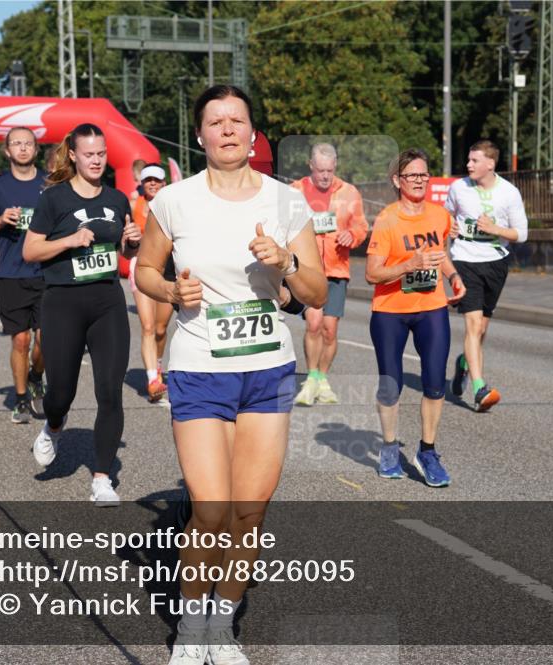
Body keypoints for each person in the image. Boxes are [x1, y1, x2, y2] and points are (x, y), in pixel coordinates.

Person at [135, 85, 327, 665]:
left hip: (267, 368)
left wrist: (287, 264)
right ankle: (190, 633)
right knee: (210, 510)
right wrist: (170, 288)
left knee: (250, 511)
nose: (226, 129)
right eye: (215, 122)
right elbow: (144, 268)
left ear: (252, 134)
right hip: (198, 367)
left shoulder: (285, 201)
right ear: (200, 135)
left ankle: (222, 628)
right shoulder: (173, 201)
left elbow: (315, 291)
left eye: (236, 121)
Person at [23, 123, 141, 505]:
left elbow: (123, 254)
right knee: (62, 391)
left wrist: (130, 244)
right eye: (89, 154)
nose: (96, 160)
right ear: (73, 155)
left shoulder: (118, 198)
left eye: (102, 154)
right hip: (63, 302)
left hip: (106, 301)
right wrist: (70, 240)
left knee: (110, 391)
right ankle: (53, 426)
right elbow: (31, 252)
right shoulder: (54, 199)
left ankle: (103, 478)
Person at [366, 148, 466, 487]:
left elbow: (439, 254)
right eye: (413, 175)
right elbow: (372, 273)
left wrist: (453, 275)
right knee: (391, 386)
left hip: (432, 307)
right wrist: (410, 264)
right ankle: (391, 447)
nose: (420, 180)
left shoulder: (439, 216)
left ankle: (427, 451)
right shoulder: (387, 220)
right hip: (390, 312)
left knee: (435, 382)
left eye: (424, 175)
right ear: (398, 180)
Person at [446, 140, 528, 412]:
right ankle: (480, 388)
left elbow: (521, 234)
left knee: (481, 329)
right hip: (465, 259)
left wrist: (495, 229)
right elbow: (445, 216)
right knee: (472, 325)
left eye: (474, 161)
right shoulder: (458, 188)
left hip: (495, 262)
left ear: (490, 164)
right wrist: (450, 228)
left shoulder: (509, 193)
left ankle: (463, 364)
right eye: (468, 160)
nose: (468, 165)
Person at [0, 127, 48, 424]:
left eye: (28, 143)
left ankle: (36, 375)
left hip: (46, 272)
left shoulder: (50, 183)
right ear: (7, 151)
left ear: (36, 149)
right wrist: (0, 220)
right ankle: (20, 399)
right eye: (16, 144)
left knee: (47, 340)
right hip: (11, 273)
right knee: (20, 340)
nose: (22, 148)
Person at [290, 143, 368, 405]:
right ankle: (311, 377)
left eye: (330, 171)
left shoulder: (349, 192)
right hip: (308, 269)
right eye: (320, 170)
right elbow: (283, 224)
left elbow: (361, 227)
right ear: (311, 166)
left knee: (330, 330)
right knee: (313, 323)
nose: (325, 175)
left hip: (336, 269)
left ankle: (322, 379)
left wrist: (353, 235)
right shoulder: (295, 191)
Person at [129, 164, 174, 402]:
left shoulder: (172, 206)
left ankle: (157, 364)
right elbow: (124, 241)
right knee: (147, 326)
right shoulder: (133, 205)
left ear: (164, 183)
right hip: (141, 268)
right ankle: (152, 379)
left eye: (157, 180)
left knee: (160, 329)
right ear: (142, 184)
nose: (152, 184)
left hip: (167, 270)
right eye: (148, 181)